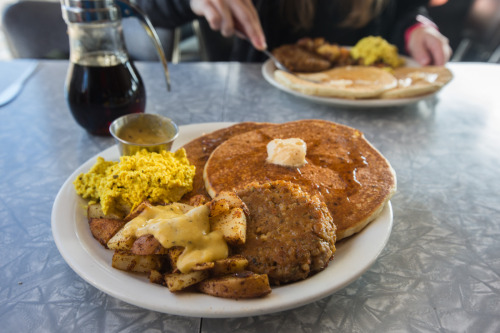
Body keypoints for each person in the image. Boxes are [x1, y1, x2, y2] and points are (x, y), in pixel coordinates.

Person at [135, 0, 452, 66]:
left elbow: (406, 10)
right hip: (261, 90)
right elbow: (149, 7)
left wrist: (417, 28)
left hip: (372, 112)